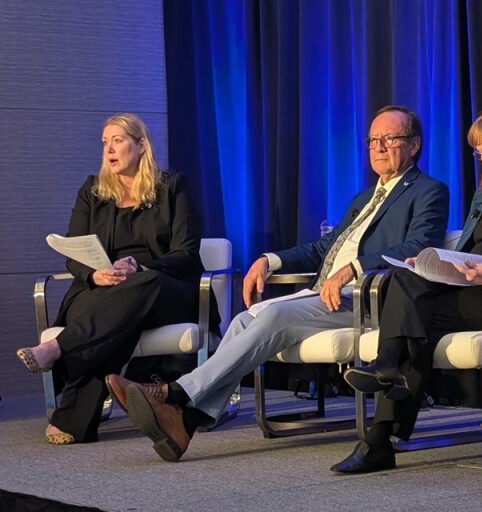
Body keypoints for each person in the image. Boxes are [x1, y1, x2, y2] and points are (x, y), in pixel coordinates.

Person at [105, 105, 450, 462]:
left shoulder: (429, 191)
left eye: (389, 139)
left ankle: (174, 393)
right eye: (373, 140)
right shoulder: (364, 198)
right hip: (327, 296)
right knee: (243, 320)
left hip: (370, 299)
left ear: (414, 145)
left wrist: (354, 268)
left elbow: (418, 246)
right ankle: (186, 422)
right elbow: (322, 249)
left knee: (268, 319)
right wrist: (270, 260)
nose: (378, 147)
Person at [334, 105, 482, 473]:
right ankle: (382, 412)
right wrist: (434, 263)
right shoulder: (481, 197)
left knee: (413, 320)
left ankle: (382, 405)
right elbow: (465, 252)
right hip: (465, 291)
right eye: (481, 152)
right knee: (407, 283)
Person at [15, 113, 210, 445]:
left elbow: (187, 253)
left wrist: (141, 268)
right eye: (105, 142)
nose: (109, 148)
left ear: (141, 145)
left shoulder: (172, 186)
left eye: (118, 140)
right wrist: (95, 273)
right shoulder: (92, 191)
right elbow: (73, 251)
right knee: (113, 316)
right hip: (106, 286)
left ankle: (59, 351)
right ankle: (77, 420)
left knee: (137, 289)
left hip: (163, 286)